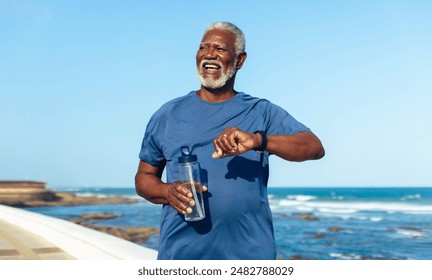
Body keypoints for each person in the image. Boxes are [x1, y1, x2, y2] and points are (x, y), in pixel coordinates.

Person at [135, 21, 324, 260]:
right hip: (181, 258)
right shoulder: (167, 114)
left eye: (220, 49)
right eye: (203, 48)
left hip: (249, 258)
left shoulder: (261, 111)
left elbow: (314, 147)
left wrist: (259, 141)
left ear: (240, 60)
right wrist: (167, 191)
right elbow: (143, 178)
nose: (209, 55)